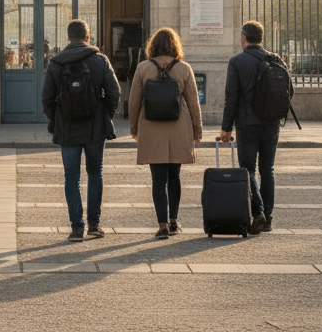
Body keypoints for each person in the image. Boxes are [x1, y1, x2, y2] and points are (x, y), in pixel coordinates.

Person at [42, 19, 121, 242]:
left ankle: (77, 227)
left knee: (71, 177)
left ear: (68, 38)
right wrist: (104, 113)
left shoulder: (56, 63)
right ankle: (94, 225)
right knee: (95, 173)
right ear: (87, 37)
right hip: (95, 128)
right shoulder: (100, 60)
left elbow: (46, 99)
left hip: (68, 129)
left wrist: (58, 117)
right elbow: (114, 93)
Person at [128, 26, 202, 239]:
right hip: (179, 127)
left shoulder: (143, 68)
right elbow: (193, 103)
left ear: (153, 46)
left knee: (158, 179)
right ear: (175, 45)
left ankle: (161, 225)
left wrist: (134, 128)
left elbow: (134, 102)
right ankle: (173, 221)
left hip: (151, 127)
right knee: (175, 176)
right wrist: (197, 130)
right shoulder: (184, 68)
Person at [219, 20, 281, 234]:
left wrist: (226, 128)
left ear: (244, 38)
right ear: (261, 38)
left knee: (248, 169)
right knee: (268, 169)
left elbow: (231, 98)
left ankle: (259, 213)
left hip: (247, 123)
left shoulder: (237, 62)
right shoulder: (275, 59)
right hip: (272, 123)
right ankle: (269, 218)